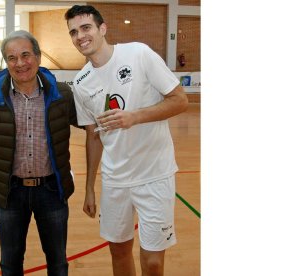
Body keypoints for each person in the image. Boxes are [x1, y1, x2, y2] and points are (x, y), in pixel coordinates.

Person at [64, 5, 189, 276]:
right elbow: (93, 137)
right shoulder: (81, 82)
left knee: (153, 262)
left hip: (154, 175)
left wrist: (135, 117)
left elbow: (180, 100)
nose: (80, 36)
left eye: (86, 28)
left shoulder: (138, 53)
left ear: (102, 28)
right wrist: (89, 187)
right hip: (115, 180)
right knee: (118, 252)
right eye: (73, 32)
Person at [0, 30, 79, 276]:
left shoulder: (62, 95)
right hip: (10, 194)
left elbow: (91, 123)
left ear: (38, 57)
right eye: (12, 58)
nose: (20, 63)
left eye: (25, 55)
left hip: (51, 191)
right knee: (10, 264)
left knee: (58, 263)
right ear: (6, 62)